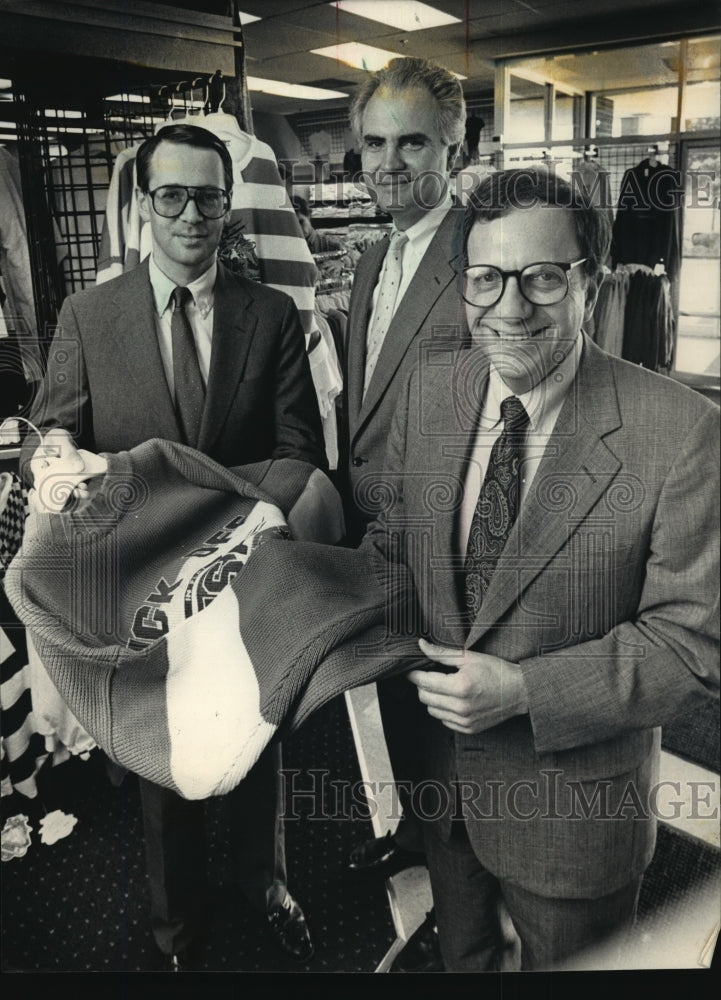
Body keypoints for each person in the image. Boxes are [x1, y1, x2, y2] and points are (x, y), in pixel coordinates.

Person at [359, 166, 720, 971]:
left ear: (587, 283)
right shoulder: (430, 392)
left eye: (542, 278)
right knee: (465, 960)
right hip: (441, 789)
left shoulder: (680, 432)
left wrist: (523, 691)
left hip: (573, 820)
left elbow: (693, 649)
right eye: (485, 279)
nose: (508, 308)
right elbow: (395, 546)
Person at [21, 123, 326, 971]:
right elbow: (49, 438)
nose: (193, 214)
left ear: (229, 206)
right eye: (173, 195)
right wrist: (60, 484)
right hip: (139, 586)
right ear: (142, 204)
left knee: (258, 736)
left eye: (210, 196)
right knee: (163, 759)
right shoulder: (90, 313)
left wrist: (237, 526)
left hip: (246, 577)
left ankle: (266, 886)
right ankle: (176, 931)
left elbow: (301, 446)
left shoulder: (270, 314)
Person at [338, 57, 466, 963]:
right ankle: (416, 837)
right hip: (377, 545)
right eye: (375, 142)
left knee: (454, 744)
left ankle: (465, 939)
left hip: (452, 550)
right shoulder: (373, 255)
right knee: (398, 709)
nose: (388, 163)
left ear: (456, 144)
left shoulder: (481, 252)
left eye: (411, 142)